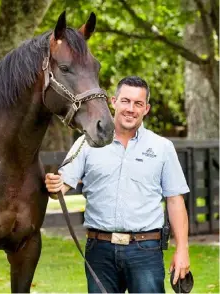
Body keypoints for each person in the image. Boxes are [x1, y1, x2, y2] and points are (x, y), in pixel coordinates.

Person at [45, 76, 190, 293]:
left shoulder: (162, 147)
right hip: (99, 250)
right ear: (113, 101)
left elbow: (175, 200)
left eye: (138, 103)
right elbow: (61, 188)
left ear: (146, 108)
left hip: (145, 249)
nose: (131, 109)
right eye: (126, 101)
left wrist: (183, 250)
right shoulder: (87, 142)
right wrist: (55, 185)